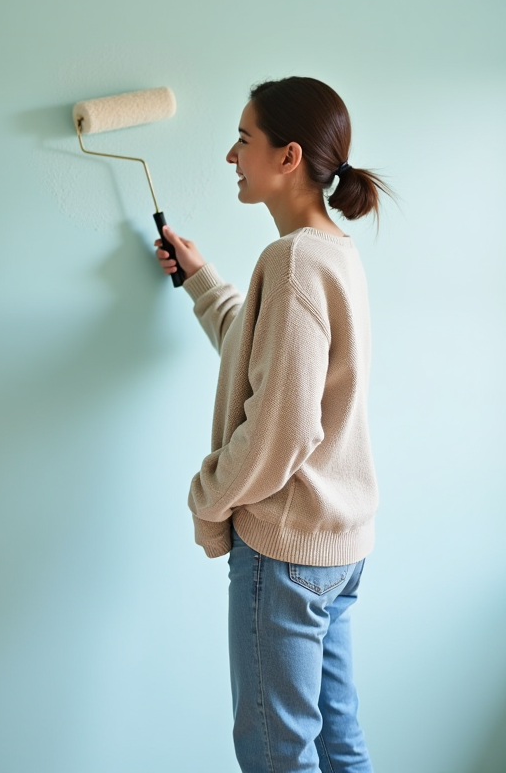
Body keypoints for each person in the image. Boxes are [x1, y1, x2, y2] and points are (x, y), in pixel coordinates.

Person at [155, 77, 387, 773]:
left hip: (285, 553)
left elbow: (283, 429)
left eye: (244, 140)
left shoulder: (291, 263)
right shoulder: (331, 253)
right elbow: (266, 355)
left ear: (288, 157)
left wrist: (209, 495)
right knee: (335, 743)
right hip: (335, 548)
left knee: (275, 753)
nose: (231, 156)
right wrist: (202, 281)